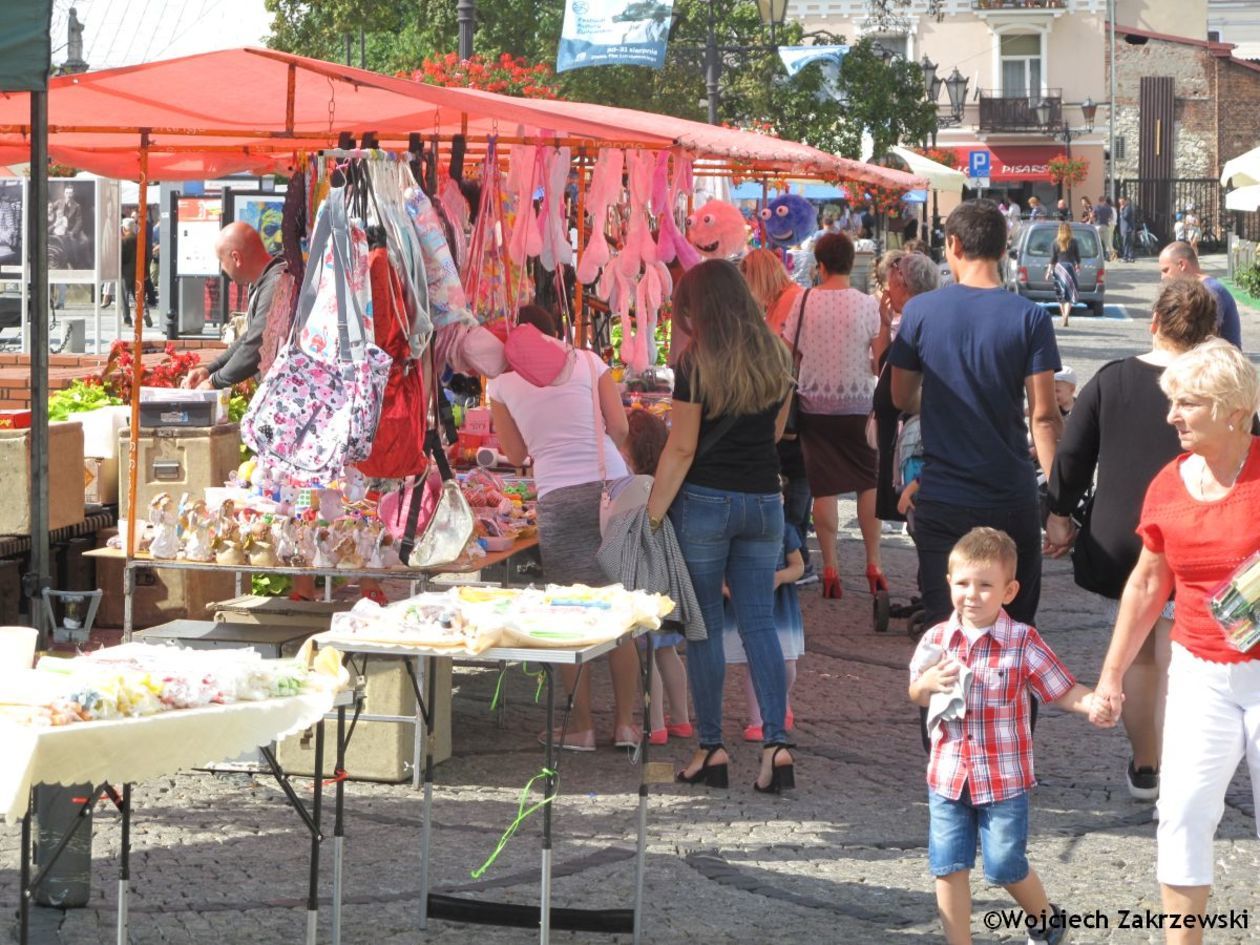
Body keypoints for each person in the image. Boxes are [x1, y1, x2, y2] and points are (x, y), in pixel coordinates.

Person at [1090, 340, 1260, 945]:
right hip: (1198, 673)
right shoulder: (1167, 482)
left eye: (1187, 404)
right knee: (1182, 817)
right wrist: (1110, 677)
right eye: (1173, 403)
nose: (1172, 417)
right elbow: (1144, 584)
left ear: (1233, 408)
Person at [1045, 279, 1219, 801]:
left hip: (1125, 538)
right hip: (1199, 534)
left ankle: (1148, 766)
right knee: (1184, 661)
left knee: (1143, 659)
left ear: (1154, 324)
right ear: (1210, 334)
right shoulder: (1220, 388)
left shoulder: (1112, 379)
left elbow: (1072, 458)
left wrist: (1057, 511)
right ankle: (1186, 763)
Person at [645, 259, 796, 793]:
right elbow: (775, 433)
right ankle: (776, 745)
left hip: (707, 502)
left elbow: (681, 448)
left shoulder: (696, 362)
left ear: (699, 307)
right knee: (759, 623)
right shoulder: (777, 355)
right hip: (764, 503)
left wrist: (653, 514)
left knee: (704, 625)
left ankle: (711, 749)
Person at [910, 528, 1096, 945]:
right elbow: (914, 691)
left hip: (1004, 779)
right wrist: (926, 685)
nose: (971, 594)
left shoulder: (1021, 641)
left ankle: (1046, 920)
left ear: (1009, 591)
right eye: (962, 584)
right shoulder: (937, 639)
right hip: (947, 774)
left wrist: (1094, 702)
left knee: (1004, 864)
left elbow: (1061, 688)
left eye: (984, 585)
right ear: (948, 583)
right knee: (948, 865)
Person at [889, 199, 1063, 631]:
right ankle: (1014, 701)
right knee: (1015, 628)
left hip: (944, 493)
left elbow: (899, 395)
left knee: (943, 629)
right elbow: (1043, 417)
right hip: (1009, 493)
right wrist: (1059, 506)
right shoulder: (1030, 318)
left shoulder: (919, 312)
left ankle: (945, 702)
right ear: (1004, 250)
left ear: (953, 244)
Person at [489, 304, 640, 750]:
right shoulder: (589, 362)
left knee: (572, 614)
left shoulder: (500, 383)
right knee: (621, 609)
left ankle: (581, 728)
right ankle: (628, 725)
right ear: (556, 333)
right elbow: (620, 425)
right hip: (613, 486)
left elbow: (516, 456)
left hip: (558, 496)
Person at [780, 232, 887, 601]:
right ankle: (873, 562)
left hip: (816, 405)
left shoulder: (805, 300)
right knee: (867, 481)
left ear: (820, 265)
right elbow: (878, 360)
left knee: (824, 486)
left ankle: (830, 568)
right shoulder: (868, 305)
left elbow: (788, 352)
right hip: (859, 402)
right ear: (851, 263)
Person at [621, 408, 693, 747]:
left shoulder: (637, 486)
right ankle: (681, 719)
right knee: (668, 653)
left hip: (646, 580)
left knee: (647, 653)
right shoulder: (669, 480)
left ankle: (656, 725)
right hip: (671, 578)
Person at [739, 249, 812, 579]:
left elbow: (780, 357)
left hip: (793, 403)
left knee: (793, 472)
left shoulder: (788, 301)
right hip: (793, 399)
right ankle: (796, 555)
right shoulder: (787, 299)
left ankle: (798, 557)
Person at [723, 486, 805, 743]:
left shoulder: (786, 531)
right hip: (744, 600)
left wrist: (779, 577)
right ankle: (758, 719)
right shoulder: (734, 532)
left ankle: (780, 701)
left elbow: (799, 567)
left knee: (788, 663)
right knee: (753, 663)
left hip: (779, 605)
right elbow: (720, 567)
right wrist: (726, 589)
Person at [873, 252, 940, 525]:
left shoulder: (920, 320)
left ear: (904, 287)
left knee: (916, 514)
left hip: (912, 436)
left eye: (890, 285)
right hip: (897, 433)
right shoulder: (909, 320)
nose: (887, 291)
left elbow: (905, 391)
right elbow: (883, 367)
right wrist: (885, 324)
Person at [183, 222, 288, 390]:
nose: (222, 269)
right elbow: (251, 336)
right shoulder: (265, 280)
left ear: (236, 258)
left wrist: (214, 381)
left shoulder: (276, 284)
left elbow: (258, 344)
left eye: (221, 261)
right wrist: (209, 370)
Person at [1157, 240, 1242, 348]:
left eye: (1166, 270)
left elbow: (1202, 337)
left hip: (1220, 361)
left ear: (1182, 264)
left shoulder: (1211, 290)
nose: (1163, 277)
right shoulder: (1198, 289)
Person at [1049, 222, 1080, 328]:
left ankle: (1063, 316)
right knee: (1069, 294)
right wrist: (1078, 265)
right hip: (1070, 268)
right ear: (1069, 230)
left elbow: (1052, 259)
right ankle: (1066, 315)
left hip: (1058, 268)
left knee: (1060, 294)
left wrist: (1048, 271)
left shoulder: (1055, 242)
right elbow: (1077, 257)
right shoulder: (1074, 242)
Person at [1093, 195, 1115, 262]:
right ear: (1104, 201)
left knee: (1098, 241)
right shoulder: (1108, 208)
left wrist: (1094, 221)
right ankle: (1107, 256)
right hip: (1105, 225)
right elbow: (1111, 217)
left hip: (1098, 225)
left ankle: (1100, 256)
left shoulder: (1096, 207)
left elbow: (1093, 216)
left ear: (1099, 201)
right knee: (1106, 242)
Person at [1117, 195, 1136, 263]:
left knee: (1126, 243)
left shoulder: (1127, 208)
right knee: (1128, 244)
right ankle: (1131, 257)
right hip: (1125, 228)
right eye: (1120, 202)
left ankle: (1125, 257)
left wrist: (1121, 211)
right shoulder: (1125, 207)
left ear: (1125, 201)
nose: (1120, 203)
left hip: (1127, 228)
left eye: (1121, 202)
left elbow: (1125, 217)